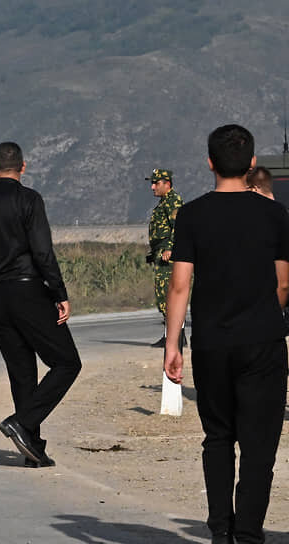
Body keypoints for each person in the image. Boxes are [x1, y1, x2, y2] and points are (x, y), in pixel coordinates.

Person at [164, 124, 289, 544]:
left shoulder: (192, 214)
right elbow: (284, 284)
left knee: (218, 437)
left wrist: (172, 343)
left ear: (210, 163)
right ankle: (249, 533)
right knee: (259, 446)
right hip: (263, 342)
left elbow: (180, 284)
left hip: (213, 343)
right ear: (252, 163)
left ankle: (221, 528)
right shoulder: (275, 214)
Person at [0, 141, 82, 468]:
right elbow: (43, 253)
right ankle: (23, 422)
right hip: (29, 291)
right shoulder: (29, 200)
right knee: (68, 363)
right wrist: (59, 293)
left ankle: (33, 448)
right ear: (23, 167)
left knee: (22, 373)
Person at [146, 168, 184, 348]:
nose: (152, 187)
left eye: (156, 183)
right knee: (163, 296)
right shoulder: (163, 202)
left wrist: (170, 248)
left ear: (167, 184)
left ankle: (175, 336)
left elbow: (179, 226)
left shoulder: (173, 201)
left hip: (168, 256)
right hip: (160, 253)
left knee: (168, 295)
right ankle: (172, 335)